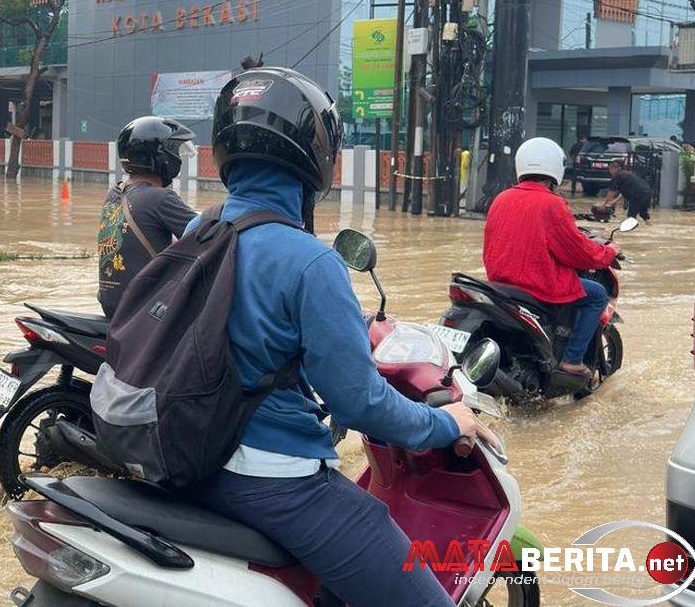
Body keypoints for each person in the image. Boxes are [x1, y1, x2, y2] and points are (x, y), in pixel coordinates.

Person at [182, 67, 493, 607]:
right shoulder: (312, 262)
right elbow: (360, 401)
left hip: (192, 457)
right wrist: (446, 422)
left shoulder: (200, 230)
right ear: (314, 157)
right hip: (274, 476)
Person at [483, 137, 619, 378]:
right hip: (537, 284)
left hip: (501, 285)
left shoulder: (500, 199)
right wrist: (608, 253)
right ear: (555, 168)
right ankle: (572, 361)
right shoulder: (552, 203)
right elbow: (576, 250)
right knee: (597, 295)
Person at [96, 116, 197, 317]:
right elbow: (210, 233)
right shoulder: (160, 198)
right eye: (175, 151)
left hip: (113, 307)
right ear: (162, 156)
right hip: (144, 311)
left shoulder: (115, 192)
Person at [601, 159, 652, 224]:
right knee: (644, 214)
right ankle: (650, 226)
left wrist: (604, 204)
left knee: (631, 216)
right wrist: (614, 201)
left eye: (610, 169)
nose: (610, 172)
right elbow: (623, 192)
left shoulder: (617, 176)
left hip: (638, 194)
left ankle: (631, 231)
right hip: (647, 192)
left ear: (613, 168)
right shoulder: (626, 174)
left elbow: (612, 192)